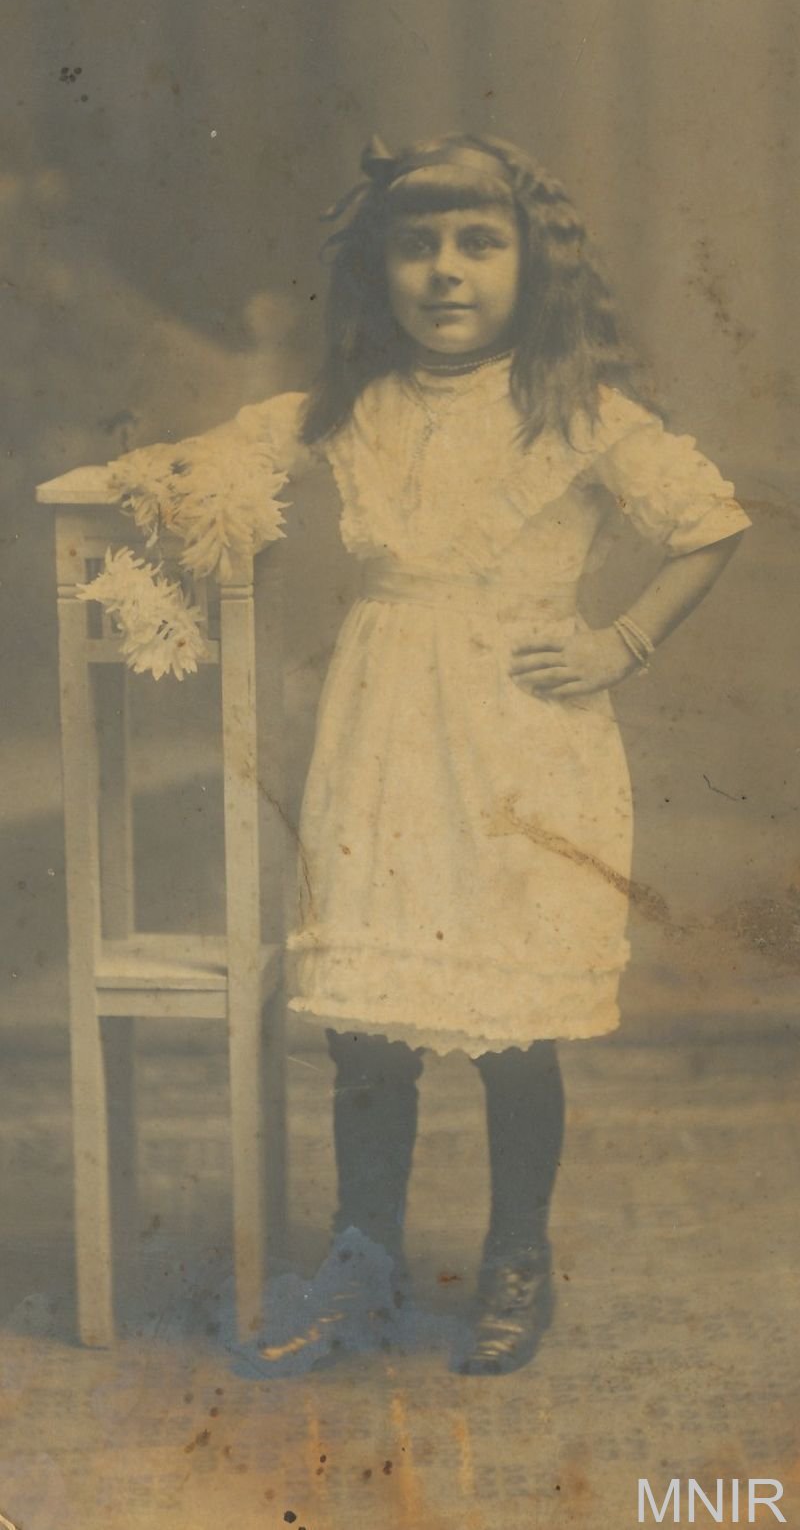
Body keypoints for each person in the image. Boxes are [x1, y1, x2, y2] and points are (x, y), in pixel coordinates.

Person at [114, 133, 752, 1375]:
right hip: (382, 732)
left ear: (530, 263)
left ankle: (516, 1255)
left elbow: (707, 523)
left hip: (521, 742)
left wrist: (617, 641)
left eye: (477, 242)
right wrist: (141, 474)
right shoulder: (348, 408)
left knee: (513, 1029)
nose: (445, 271)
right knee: (366, 1028)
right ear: (378, 268)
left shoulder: (578, 413)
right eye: (416, 246)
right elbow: (213, 465)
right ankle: (363, 1259)